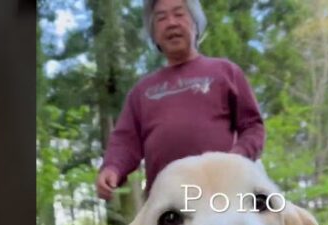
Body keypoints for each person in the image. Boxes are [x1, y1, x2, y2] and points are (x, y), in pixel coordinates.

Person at [95, 0, 266, 202]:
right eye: (161, 18)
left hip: (223, 194)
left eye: (179, 14)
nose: (171, 23)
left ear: (196, 24)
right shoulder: (142, 91)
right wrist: (112, 168)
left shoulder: (225, 72)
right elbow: (125, 141)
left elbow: (253, 127)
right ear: (154, 34)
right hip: (167, 201)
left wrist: (236, 158)